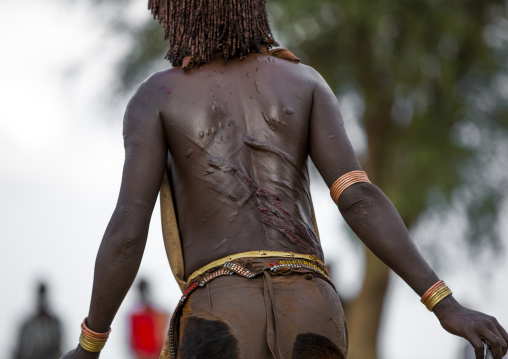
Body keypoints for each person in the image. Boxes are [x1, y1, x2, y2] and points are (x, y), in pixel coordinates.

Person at [61, 0, 508, 358]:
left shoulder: (158, 96)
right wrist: (445, 305)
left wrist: (90, 345)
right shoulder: (305, 82)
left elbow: (127, 230)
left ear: (176, 12)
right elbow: (359, 198)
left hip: (221, 308)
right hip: (313, 306)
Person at [14, 282, 62, 359]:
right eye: (40, 295)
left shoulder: (55, 323)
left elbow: (59, 348)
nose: (42, 300)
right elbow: (19, 351)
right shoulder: (27, 325)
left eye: (44, 295)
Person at [127, 279, 169, 359]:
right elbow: (132, 341)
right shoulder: (135, 315)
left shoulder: (158, 314)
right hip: (144, 354)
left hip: (156, 354)